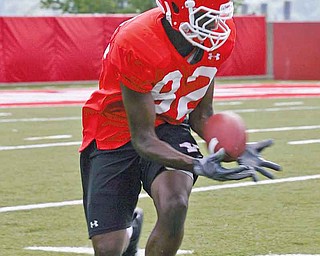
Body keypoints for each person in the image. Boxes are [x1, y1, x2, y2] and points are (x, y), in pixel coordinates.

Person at [79, 0, 281, 255]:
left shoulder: (219, 39)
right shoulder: (136, 41)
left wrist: (234, 148)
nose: (216, 27)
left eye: (218, 17)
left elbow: (202, 114)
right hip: (115, 127)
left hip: (170, 123)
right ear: (176, 10)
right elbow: (143, 139)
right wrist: (196, 164)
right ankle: (130, 232)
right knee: (108, 249)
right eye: (205, 18)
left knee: (175, 203)